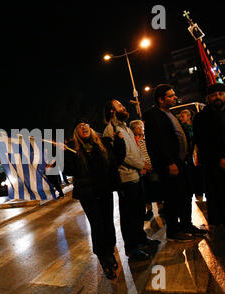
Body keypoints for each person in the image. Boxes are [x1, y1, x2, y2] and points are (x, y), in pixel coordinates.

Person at [144, 84, 207, 242]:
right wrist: (169, 162)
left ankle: (186, 225)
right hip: (170, 164)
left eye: (174, 95)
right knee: (172, 197)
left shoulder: (168, 113)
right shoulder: (153, 115)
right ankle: (173, 230)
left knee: (186, 193)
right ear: (160, 99)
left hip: (181, 162)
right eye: (170, 96)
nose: (174, 98)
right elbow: (158, 142)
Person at [63, 119, 124, 279]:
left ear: (90, 129)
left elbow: (117, 160)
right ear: (76, 133)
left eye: (86, 125)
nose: (83, 127)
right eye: (79, 126)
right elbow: (68, 171)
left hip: (104, 189)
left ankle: (110, 251)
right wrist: (63, 154)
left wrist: (119, 142)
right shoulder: (72, 149)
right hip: (87, 193)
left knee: (108, 222)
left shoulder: (103, 144)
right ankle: (103, 258)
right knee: (97, 225)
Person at [103, 100, 159, 261]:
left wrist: (142, 165)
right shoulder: (110, 130)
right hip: (126, 179)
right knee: (129, 216)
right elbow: (123, 155)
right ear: (112, 111)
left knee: (138, 212)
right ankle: (132, 248)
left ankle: (141, 239)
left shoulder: (125, 127)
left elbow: (135, 150)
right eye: (119, 106)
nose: (123, 107)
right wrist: (142, 165)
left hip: (137, 176)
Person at [194, 83, 225, 241]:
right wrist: (219, 158)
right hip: (217, 165)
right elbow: (203, 143)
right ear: (208, 98)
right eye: (213, 95)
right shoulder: (201, 118)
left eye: (220, 94)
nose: (217, 97)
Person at [129, 120, 164, 221]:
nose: (141, 129)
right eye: (138, 127)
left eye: (141, 127)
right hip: (143, 168)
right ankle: (149, 210)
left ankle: (161, 207)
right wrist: (143, 166)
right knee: (146, 191)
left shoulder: (147, 139)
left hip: (153, 166)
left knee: (157, 186)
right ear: (133, 130)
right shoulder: (133, 141)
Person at [179, 109, 204, 202]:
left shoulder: (194, 127)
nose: (181, 118)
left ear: (189, 116)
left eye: (183, 116)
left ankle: (199, 195)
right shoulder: (181, 128)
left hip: (196, 153)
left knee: (198, 175)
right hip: (188, 155)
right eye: (180, 117)